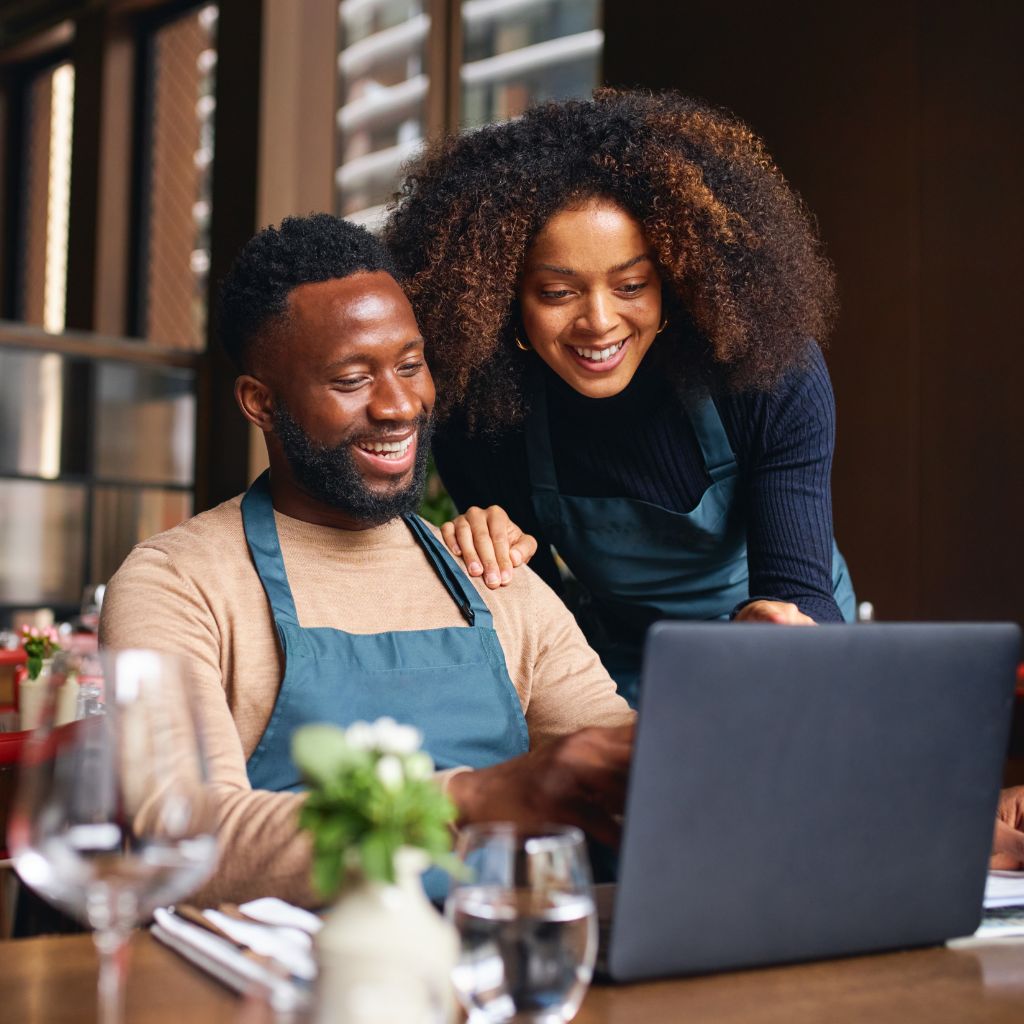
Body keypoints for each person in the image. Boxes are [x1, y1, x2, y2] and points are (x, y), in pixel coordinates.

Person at [99, 213, 633, 907]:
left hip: (503, 976)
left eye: (411, 365)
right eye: (352, 380)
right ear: (261, 403)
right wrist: (473, 797)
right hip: (279, 997)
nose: (400, 405)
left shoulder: (491, 570)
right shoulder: (177, 584)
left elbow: (617, 765)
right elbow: (182, 833)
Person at [384, 89, 856, 705]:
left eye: (631, 284)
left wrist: (781, 628)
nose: (600, 322)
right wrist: (488, 557)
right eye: (557, 293)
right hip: (621, 665)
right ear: (502, 300)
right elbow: (543, 628)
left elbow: (801, 589)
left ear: (676, 279)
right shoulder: (482, 414)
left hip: (782, 648)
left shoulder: (767, 374)